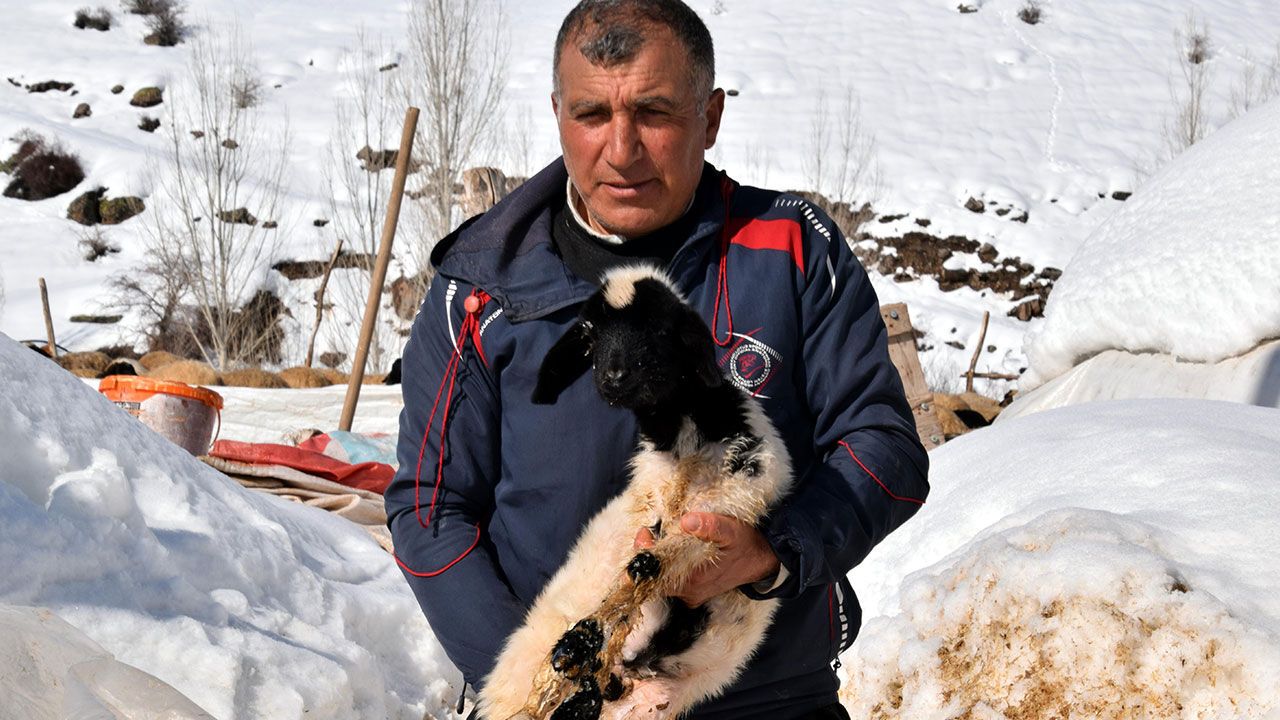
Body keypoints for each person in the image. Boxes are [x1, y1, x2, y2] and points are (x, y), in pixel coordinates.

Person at [385, 1, 930, 718]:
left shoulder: (792, 251)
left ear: (710, 116)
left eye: (654, 112)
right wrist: (547, 688)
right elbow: (429, 508)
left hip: (768, 700)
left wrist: (774, 552)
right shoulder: (481, 287)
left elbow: (883, 445)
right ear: (557, 113)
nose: (621, 149)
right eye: (591, 114)